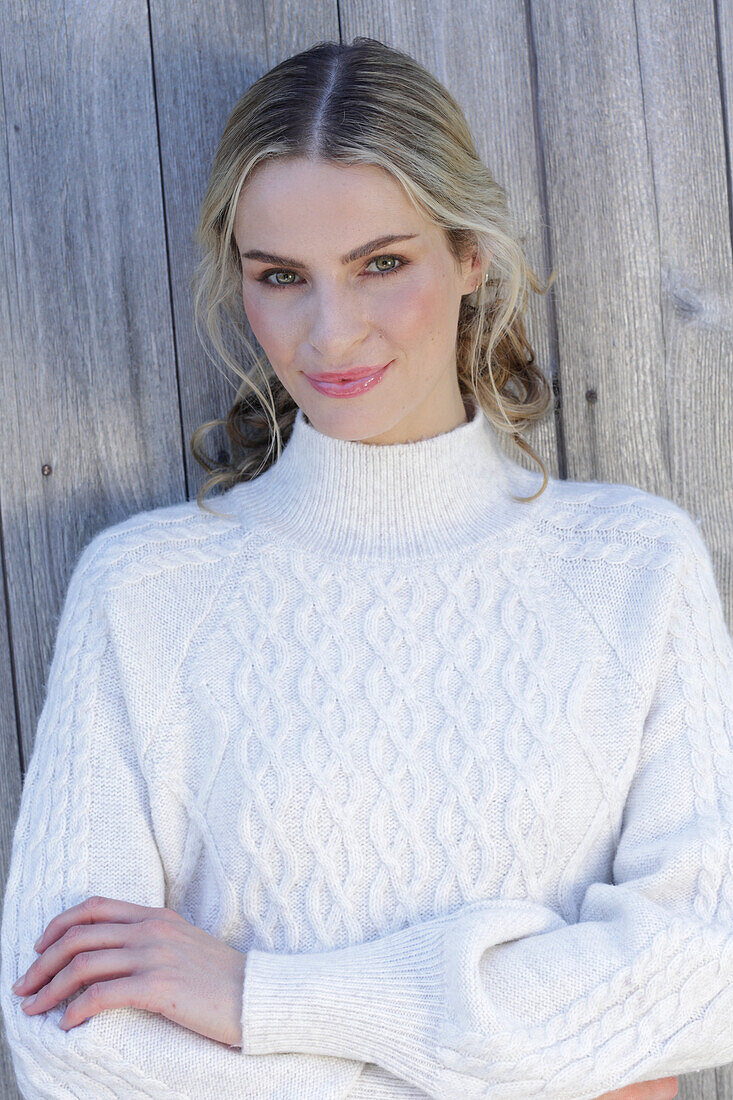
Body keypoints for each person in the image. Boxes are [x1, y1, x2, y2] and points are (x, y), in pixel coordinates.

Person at [1, 34, 730, 1100]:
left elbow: (706, 964)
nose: (330, 330)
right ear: (239, 278)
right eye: (281, 276)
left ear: (468, 254)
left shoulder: (635, 568)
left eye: (380, 263)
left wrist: (260, 999)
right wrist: (547, 1065)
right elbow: (66, 1041)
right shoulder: (142, 594)